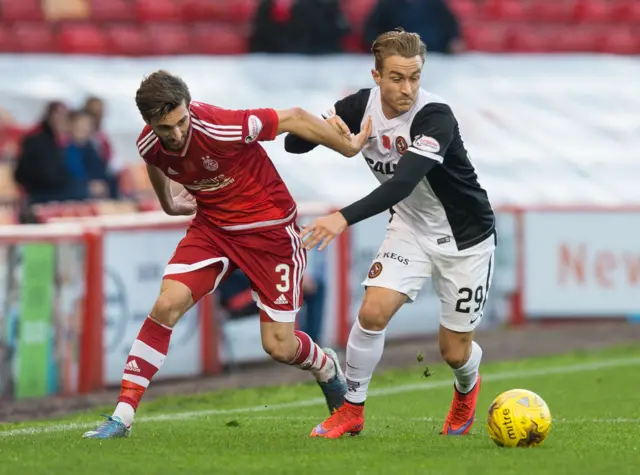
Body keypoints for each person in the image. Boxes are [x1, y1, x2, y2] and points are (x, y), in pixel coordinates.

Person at [83, 70, 372, 439]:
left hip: (269, 234)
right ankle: (121, 417)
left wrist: (347, 147)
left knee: (279, 346)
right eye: (164, 127)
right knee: (167, 304)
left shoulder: (221, 126)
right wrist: (169, 203)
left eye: (181, 121)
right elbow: (156, 162)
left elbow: (294, 117)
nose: (176, 133)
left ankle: (326, 365)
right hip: (213, 230)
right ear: (149, 123)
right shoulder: (149, 144)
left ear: (189, 108)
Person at [284, 29, 496, 438]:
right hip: (411, 227)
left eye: (415, 77)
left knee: (453, 352)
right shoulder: (358, 105)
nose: (407, 88)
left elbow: (400, 184)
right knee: (371, 312)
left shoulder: (435, 116)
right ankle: (351, 410)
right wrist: (331, 134)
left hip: (465, 238)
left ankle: (467, 389)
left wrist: (341, 218)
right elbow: (294, 144)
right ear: (376, 75)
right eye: (397, 77)